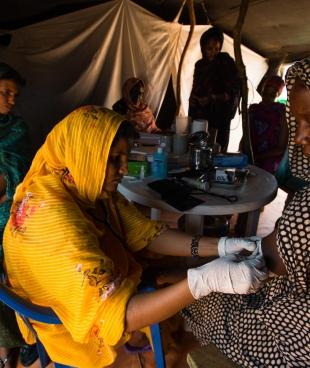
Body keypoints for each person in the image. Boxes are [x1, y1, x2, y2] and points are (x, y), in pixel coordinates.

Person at [3, 106, 267, 367]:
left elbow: (147, 234)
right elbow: (118, 314)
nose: (123, 169)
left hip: (97, 289)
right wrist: (203, 282)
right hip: (72, 324)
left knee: (189, 280)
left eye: (125, 158)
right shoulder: (51, 219)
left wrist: (220, 246)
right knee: (194, 285)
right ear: (84, 153)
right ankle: (141, 356)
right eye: (114, 159)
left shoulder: (84, 184)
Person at [180, 57, 310, 367]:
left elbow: (267, 260)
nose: (302, 135)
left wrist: (189, 280)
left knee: (202, 303)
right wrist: (220, 250)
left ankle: (175, 348)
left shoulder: (305, 212)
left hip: (296, 337)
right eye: (299, 121)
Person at [0, 62, 38, 368]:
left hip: (12, 210)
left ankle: (24, 337)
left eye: (14, 95)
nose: (11, 101)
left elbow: (21, 175)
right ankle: (5, 349)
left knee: (13, 270)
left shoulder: (18, 129)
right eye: (5, 93)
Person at [188, 27, 240, 152]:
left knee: (217, 148)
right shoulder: (200, 66)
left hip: (220, 117)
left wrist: (212, 98)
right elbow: (196, 87)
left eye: (217, 49)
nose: (213, 52)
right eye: (209, 49)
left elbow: (231, 92)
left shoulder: (225, 64)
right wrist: (192, 99)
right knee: (199, 147)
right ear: (203, 48)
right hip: (201, 115)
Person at [249, 75, 288, 174]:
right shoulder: (253, 109)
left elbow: (281, 148)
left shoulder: (282, 112)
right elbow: (246, 135)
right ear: (262, 89)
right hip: (250, 153)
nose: (267, 97)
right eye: (266, 91)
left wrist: (257, 157)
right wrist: (244, 152)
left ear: (278, 95)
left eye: (272, 94)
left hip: (270, 158)